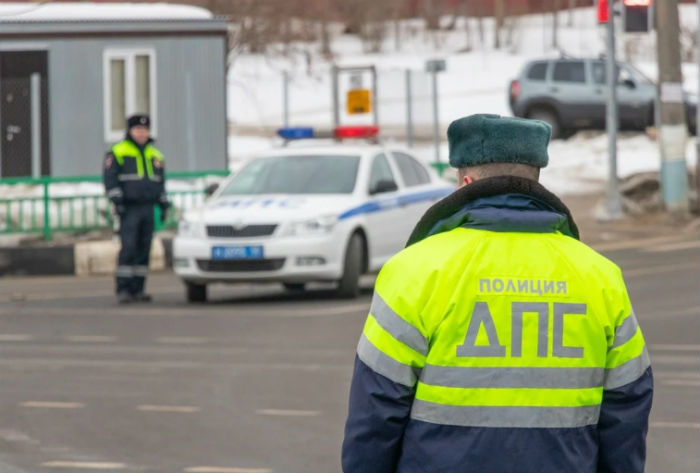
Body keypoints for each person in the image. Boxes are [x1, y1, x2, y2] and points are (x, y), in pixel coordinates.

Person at [342, 114, 652, 473]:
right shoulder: (600, 277)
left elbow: (375, 411)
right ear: (535, 179)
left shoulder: (414, 271)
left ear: (466, 181)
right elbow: (628, 406)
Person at [103, 115, 169, 304]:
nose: (141, 133)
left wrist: (163, 203)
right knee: (129, 248)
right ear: (130, 131)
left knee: (144, 249)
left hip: (148, 208)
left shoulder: (155, 155)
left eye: (145, 130)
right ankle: (123, 289)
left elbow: (160, 183)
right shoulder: (118, 151)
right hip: (129, 208)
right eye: (138, 130)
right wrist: (116, 199)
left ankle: (139, 289)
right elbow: (110, 178)